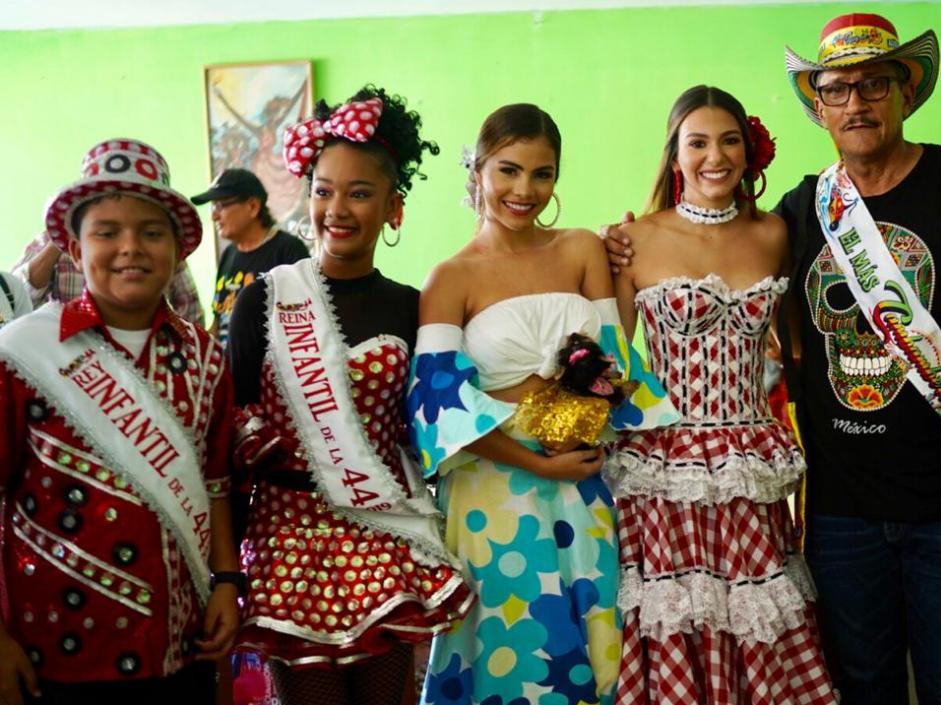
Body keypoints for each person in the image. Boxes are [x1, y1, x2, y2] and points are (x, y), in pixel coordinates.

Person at [605, 15, 941, 704]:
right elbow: (784, 338)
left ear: (906, 90)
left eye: (874, 84)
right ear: (820, 107)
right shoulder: (801, 212)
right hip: (839, 510)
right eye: (837, 90)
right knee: (861, 685)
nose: (856, 103)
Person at [409, 103, 675, 705]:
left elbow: (615, 360)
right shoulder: (449, 279)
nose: (523, 190)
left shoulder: (582, 248)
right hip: (494, 490)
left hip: (582, 479)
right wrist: (537, 460)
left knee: (598, 651)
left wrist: (628, 275)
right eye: (507, 171)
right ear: (476, 171)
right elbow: (439, 405)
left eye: (542, 173)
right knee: (512, 652)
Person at [228, 85, 473, 705]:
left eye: (359, 193)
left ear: (394, 207)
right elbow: (229, 433)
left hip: (381, 532)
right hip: (289, 540)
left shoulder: (413, 306)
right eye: (323, 190)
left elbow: (433, 422)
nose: (337, 209)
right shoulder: (264, 299)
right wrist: (225, 570)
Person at [604, 85, 835, 704]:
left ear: (749, 150)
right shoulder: (635, 240)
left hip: (750, 465)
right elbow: (614, 359)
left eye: (729, 140)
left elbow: (798, 348)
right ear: (674, 155)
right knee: (680, 617)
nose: (715, 155)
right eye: (698, 142)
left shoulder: (775, 234)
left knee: (757, 618)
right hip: (666, 465)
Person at [0, 138, 239, 705]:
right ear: (75, 251)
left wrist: (228, 582)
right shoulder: (21, 355)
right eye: (106, 232)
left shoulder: (205, 357)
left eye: (151, 232)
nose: (130, 247)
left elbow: (216, 484)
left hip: (179, 648)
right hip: (51, 652)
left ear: (177, 250)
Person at [189, 168, 308, 344]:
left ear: (252, 206)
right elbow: (218, 319)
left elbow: (304, 326)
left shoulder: (289, 250)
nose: (214, 216)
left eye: (221, 206)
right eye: (213, 207)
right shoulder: (229, 254)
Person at [12, 229, 206, 327]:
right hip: (65, 365)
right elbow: (14, 299)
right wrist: (57, 242)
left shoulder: (158, 247)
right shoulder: (51, 240)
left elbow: (190, 313)